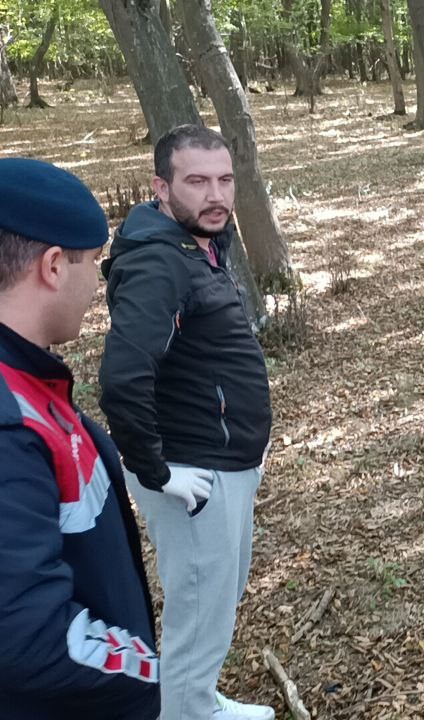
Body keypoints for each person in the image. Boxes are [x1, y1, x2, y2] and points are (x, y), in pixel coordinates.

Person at [98, 125, 274, 720]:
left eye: (224, 179)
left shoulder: (200, 243)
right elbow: (123, 377)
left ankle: (199, 701)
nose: (215, 194)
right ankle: (187, 712)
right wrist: (158, 470)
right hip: (195, 474)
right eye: (196, 181)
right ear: (162, 187)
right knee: (199, 610)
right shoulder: (158, 263)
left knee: (215, 599)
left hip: (224, 462)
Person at [0, 158, 160, 719]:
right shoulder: (11, 422)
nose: (98, 280)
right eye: (94, 262)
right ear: (52, 266)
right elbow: (27, 635)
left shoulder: (27, 382)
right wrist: (148, 671)